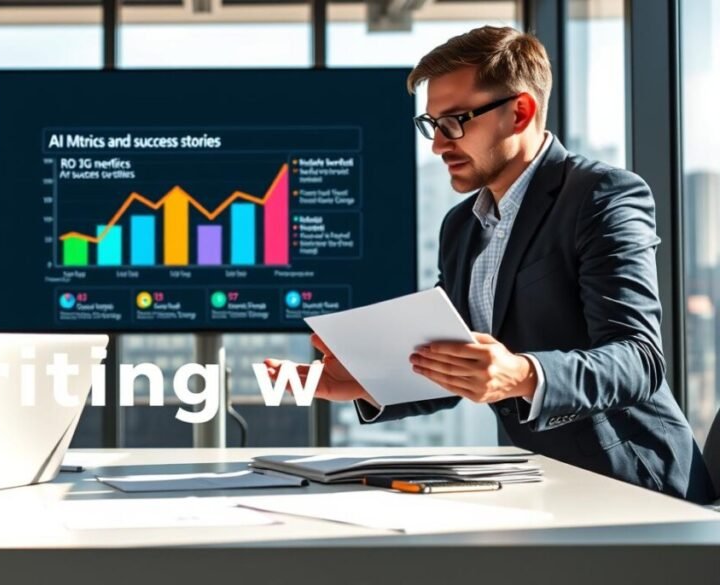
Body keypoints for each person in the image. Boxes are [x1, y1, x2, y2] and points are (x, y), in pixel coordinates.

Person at [265, 26, 715, 503]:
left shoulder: (599, 196)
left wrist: (523, 373)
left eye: (456, 121)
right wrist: (369, 383)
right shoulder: (462, 226)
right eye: (432, 124)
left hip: (638, 487)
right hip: (541, 484)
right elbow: (461, 363)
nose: (439, 144)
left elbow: (638, 359)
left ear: (520, 112)